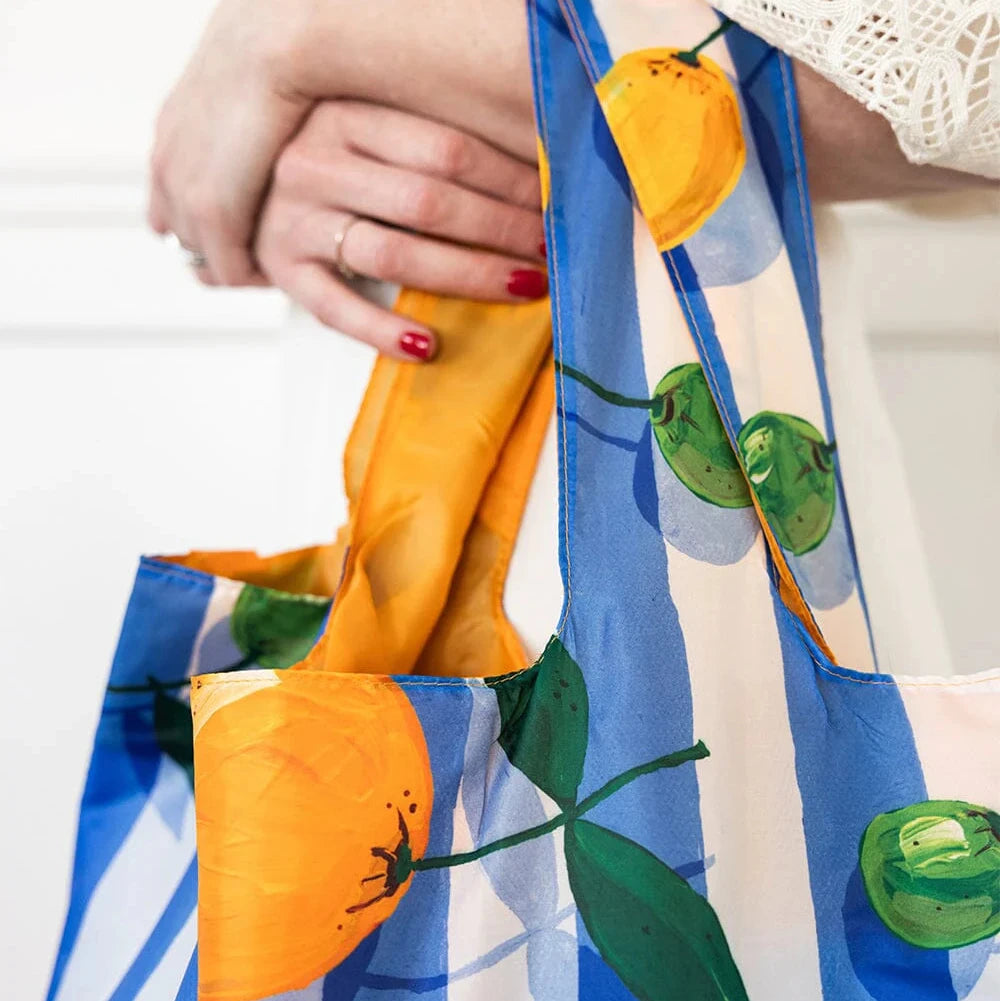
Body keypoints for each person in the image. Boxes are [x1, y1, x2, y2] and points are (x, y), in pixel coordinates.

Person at [148, 0, 996, 672]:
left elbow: (970, 72)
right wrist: (292, 151)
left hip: (692, 483)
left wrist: (296, 38)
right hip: (357, 414)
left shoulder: (294, 35)